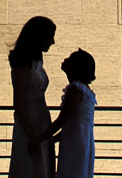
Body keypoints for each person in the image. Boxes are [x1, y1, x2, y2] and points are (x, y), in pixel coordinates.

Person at [31, 49, 96, 178]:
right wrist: (53, 139)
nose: (65, 59)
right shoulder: (85, 91)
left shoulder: (75, 90)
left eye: (70, 59)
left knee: (71, 171)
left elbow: (62, 120)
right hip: (83, 141)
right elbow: (74, 123)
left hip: (74, 144)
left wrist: (40, 138)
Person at [8, 15, 56, 178]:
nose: (53, 42)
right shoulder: (22, 62)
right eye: (50, 37)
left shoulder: (37, 61)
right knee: (31, 167)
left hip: (42, 120)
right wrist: (32, 136)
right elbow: (19, 103)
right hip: (29, 123)